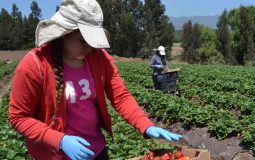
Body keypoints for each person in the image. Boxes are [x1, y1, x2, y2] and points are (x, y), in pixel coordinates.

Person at [8, 0, 182, 160]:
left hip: (96, 151)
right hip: (54, 155)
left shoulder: (100, 58)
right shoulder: (35, 65)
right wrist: (59, 140)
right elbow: (18, 117)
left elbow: (120, 96)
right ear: (64, 33)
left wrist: (145, 125)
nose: (90, 47)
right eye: (83, 40)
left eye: (92, 41)